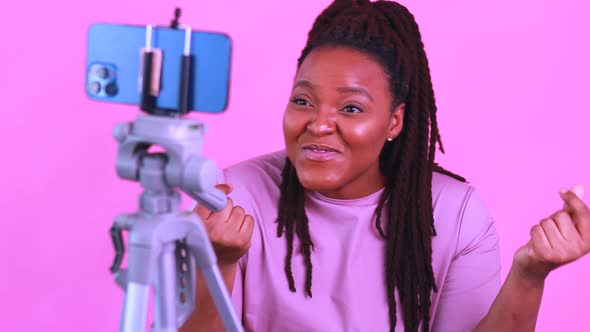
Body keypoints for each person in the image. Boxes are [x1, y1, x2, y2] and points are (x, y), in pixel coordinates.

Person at [181, 0, 590, 331]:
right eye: (302, 100)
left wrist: (531, 273)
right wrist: (215, 262)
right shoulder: (234, 198)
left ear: (394, 120)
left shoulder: (454, 215)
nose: (319, 124)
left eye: (351, 107)